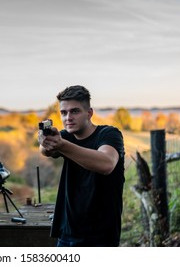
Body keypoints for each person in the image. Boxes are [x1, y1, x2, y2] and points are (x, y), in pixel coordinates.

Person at [38, 85, 125, 247]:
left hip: (101, 237)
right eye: (63, 113)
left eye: (75, 111)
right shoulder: (65, 137)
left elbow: (106, 164)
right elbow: (45, 151)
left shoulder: (108, 134)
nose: (68, 117)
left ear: (89, 113)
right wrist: (45, 141)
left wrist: (61, 145)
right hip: (67, 233)